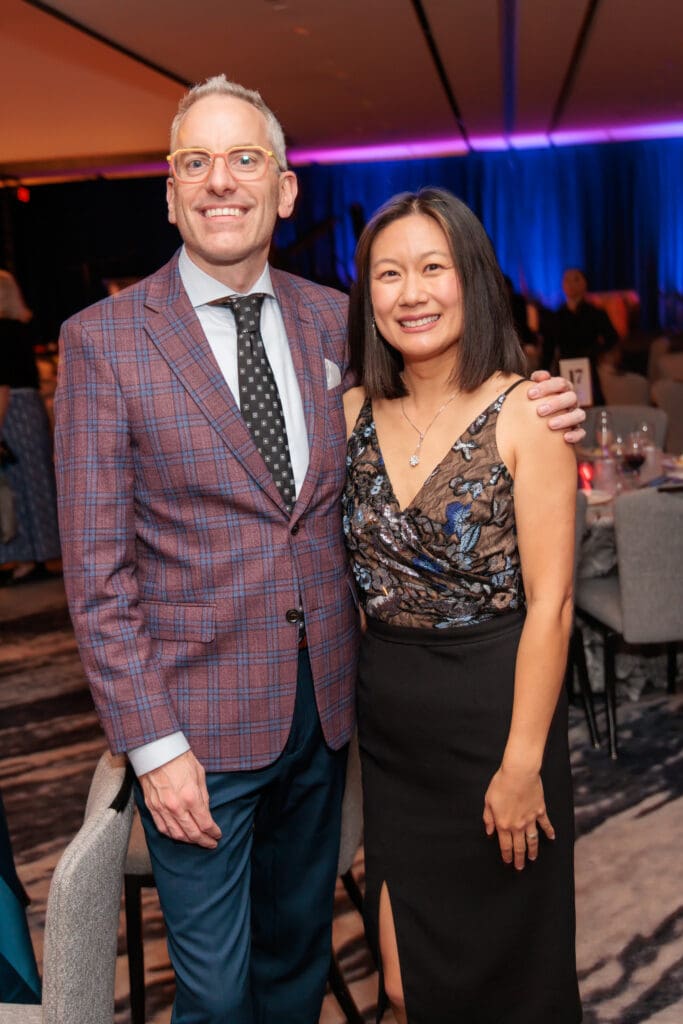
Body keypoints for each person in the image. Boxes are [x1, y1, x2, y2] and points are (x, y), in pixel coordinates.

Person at [54, 76, 584, 1024]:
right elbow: (95, 578)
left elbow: (434, 413)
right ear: (168, 191)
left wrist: (544, 400)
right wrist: (152, 743)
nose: (221, 182)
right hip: (197, 731)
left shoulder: (330, 319)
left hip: (333, 718)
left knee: (299, 964)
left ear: (286, 189)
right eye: (195, 163)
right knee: (215, 996)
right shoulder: (103, 343)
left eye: (245, 159)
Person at [343, 188, 581, 1023]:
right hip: (395, 739)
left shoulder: (529, 414)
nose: (411, 293)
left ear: (471, 279)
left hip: (499, 715)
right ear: (365, 294)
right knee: (406, 984)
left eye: (432, 268)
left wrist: (521, 764)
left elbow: (552, 606)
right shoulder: (348, 413)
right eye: (388, 273)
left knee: (512, 978)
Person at [0, 269, 61, 584]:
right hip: (31, 409)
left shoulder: (1, 331)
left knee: (15, 485)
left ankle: (23, 556)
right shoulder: (22, 330)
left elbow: (2, 385)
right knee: (37, 483)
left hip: (11, 411)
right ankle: (43, 552)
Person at [546, 267, 619, 404]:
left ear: (584, 284)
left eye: (576, 280)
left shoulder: (596, 313)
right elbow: (548, 348)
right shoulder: (556, 316)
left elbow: (612, 337)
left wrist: (596, 351)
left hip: (589, 366)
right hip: (563, 366)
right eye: (567, 280)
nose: (571, 284)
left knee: (591, 405)